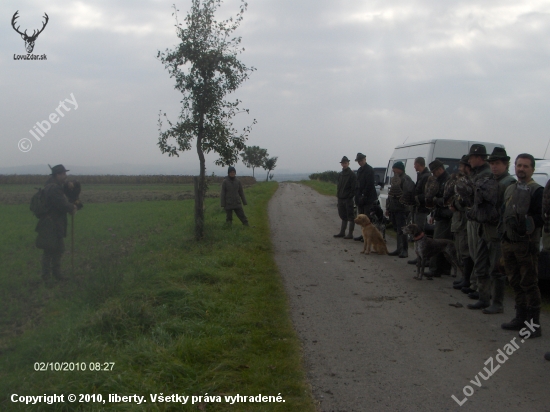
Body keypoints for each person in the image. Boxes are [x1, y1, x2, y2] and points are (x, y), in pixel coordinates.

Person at [468, 148, 516, 312]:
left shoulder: (509, 183)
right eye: (492, 163)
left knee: (497, 270)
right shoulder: (488, 179)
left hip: (498, 232)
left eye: (497, 164)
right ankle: (483, 298)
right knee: (480, 265)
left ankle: (497, 303)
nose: (494, 167)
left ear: (505, 165)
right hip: (484, 229)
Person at [500, 153, 543, 338]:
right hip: (509, 243)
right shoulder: (510, 188)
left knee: (529, 283)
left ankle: (533, 325)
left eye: (526, 166)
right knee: (515, 282)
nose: (521, 169)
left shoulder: (537, 191)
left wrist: (527, 223)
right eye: (519, 165)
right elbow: (504, 213)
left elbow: (542, 218)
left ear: (532, 169)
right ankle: (520, 318)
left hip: (526, 245)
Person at [35, 164, 77, 283]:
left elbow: (61, 192)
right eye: (63, 174)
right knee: (49, 250)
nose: (65, 176)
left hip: (53, 223)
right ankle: (46, 277)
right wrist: (72, 207)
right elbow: (61, 204)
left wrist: (68, 185)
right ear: (58, 175)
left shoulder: (50, 185)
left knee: (58, 249)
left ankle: (56, 274)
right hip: (52, 224)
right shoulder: (54, 188)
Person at [462, 144, 492, 297]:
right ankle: (475, 285)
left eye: (472, 158)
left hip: (479, 219)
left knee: (479, 255)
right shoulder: (477, 173)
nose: (470, 161)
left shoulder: (485, 174)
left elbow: (477, 197)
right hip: (472, 215)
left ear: (479, 158)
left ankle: (481, 288)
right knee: (474, 253)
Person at [426, 159, 453, 277]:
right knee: (445, 244)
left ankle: (435, 268)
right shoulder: (440, 180)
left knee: (437, 243)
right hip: (441, 214)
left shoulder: (447, 181)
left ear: (440, 169)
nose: (433, 174)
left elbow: (447, 200)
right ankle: (445, 268)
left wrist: (436, 201)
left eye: (434, 171)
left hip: (445, 215)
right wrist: (433, 214)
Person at [452, 156, 473, 290]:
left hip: (465, 219)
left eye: (461, 166)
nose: (459, 169)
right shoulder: (463, 180)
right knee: (461, 249)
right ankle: (465, 278)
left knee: (466, 250)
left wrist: (457, 205)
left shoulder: (469, 181)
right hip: (460, 219)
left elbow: (468, 203)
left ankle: (467, 279)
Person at [385, 161, 413, 257]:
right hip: (394, 208)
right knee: (397, 230)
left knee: (402, 230)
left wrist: (401, 201)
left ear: (400, 169)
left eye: (394, 168)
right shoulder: (395, 179)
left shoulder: (406, 179)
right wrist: (388, 207)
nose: (393, 170)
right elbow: (391, 194)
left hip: (402, 209)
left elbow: (408, 193)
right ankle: (399, 249)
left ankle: (404, 250)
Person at [408, 157, 431, 265]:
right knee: (417, 233)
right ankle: (419, 257)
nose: (414, 166)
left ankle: (424, 258)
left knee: (420, 234)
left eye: (414, 164)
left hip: (422, 208)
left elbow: (426, 193)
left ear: (418, 164)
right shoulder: (421, 175)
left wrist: (416, 198)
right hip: (418, 208)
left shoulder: (426, 177)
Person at [354, 153, 377, 242]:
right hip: (360, 197)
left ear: (365, 159)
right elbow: (358, 183)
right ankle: (363, 235)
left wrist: (364, 194)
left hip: (368, 198)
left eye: (361, 160)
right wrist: (358, 195)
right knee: (361, 217)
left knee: (367, 218)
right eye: (359, 161)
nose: (360, 162)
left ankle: (368, 236)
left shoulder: (369, 170)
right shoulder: (359, 170)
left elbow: (369, 184)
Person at [334, 156, 358, 239]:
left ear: (348, 163)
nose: (344, 164)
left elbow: (354, 188)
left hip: (348, 199)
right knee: (343, 215)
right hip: (340, 198)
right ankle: (342, 232)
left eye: (345, 163)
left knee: (350, 216)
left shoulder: (352, 175)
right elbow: (339, 186)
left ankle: (350, 233)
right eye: (343, 163)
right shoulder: (340, 174)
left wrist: (349, 196)